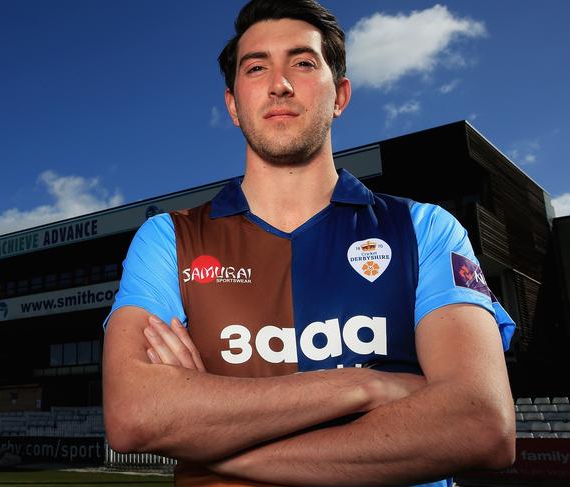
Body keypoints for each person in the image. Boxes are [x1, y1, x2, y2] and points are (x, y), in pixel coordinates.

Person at [102, 1, 516, 486]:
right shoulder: (170, 238)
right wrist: (363, 384)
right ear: (233, 105)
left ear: (340, 95)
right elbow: (134, 415)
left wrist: (207, 444)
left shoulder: (425, 229)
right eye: (256, 68)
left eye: (302, 63)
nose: (279, 84)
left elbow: (482, 426)